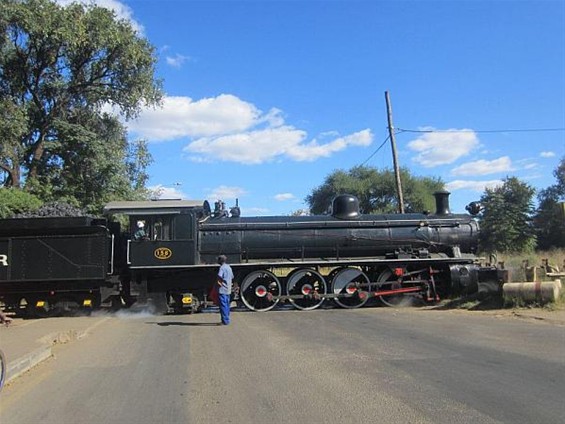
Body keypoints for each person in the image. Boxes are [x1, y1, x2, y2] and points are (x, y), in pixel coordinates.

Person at [216, 255, 234, 325]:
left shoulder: (222, 268)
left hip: (222, 289)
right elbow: (232, 276)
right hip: (228, 289)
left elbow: (219, 277)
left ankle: (225, 321)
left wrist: (218, 284)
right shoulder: (229, 267)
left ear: (220, 260)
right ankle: (227, 319)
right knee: (227, 305)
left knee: (223, 306)